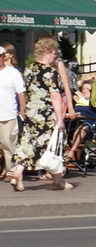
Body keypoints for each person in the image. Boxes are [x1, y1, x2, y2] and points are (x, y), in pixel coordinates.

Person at [8, 35, 73, 191]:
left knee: (28, 143)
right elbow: (55, 95)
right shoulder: (50, 71)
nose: (55, 56)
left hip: (31, 112)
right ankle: (58, 181)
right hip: (45, 113)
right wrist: (60, 119)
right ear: (48, 52)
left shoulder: (29, 69)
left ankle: (18, 172)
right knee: (55, 144)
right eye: (54, 53)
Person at [0, 42, 26, 182]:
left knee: (8, 145)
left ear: (4, 57)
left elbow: (21, 92)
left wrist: (22, 109)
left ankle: (11, 172)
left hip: (8, 114)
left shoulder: (13, 73)